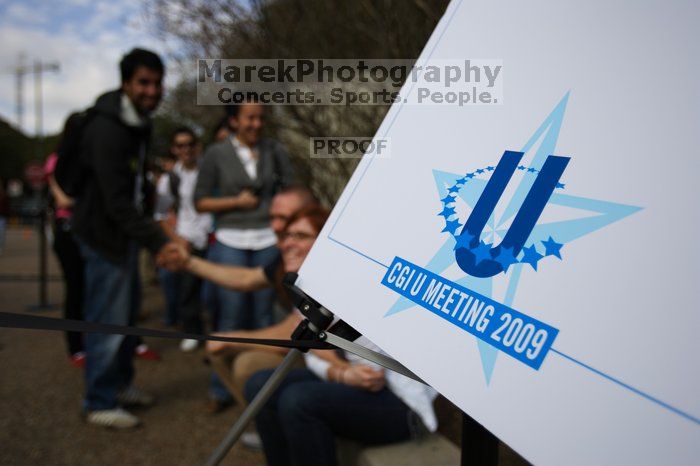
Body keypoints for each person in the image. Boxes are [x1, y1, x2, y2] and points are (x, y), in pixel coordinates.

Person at [160, 206, 438, 466]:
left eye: (300, 235)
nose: (287, 242)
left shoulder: (349, 284)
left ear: (325, 243)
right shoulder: (310, 283)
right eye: (286, 236)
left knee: (299, 401)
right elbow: (313, 348)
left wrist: (343, 373)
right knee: (260, 384)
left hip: (401, 403)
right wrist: (339, 374)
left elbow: (372, 372)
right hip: (360, 381)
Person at [71, 48, 177, 429]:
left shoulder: (138, 122)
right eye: (143, 82)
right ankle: (98, 400)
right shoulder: (107, 127)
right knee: (108, 320)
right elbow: (116, 202)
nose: (152, 90)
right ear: (126, 83)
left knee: (127, 317)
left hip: (124, 236)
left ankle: (119, 386)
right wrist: (159, 240)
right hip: (104, 238)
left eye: (157, 82)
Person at [193, 94, 296, 410]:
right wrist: (235, 203)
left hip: (267, 240)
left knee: (264, 316)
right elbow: (200, 201)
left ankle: (264, 387)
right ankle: (220, 389)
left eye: (261, 118)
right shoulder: (215, 154)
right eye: (250, 118)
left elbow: (289, 190)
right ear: (234, 120)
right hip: (230, 242)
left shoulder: (274, 150)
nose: (257, 124)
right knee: (231, 314)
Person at [154, 127, 213, 351]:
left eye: (190, 144)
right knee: (187, 290)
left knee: (215, 291)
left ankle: (220, 333)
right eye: (180, 145)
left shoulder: (210, 170)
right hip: (188, 238)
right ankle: (193, 332)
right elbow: (160, 215)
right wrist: (177, 240)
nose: (186, 149)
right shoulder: (169, 179)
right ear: (174, 149)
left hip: (214, 237)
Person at [45, 117, 85, 366]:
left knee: (90, 289)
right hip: (68, 230)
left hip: (86, 230)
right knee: (75, 289)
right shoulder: (55, 161)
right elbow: (63, 200)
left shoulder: (85, 160)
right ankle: (75, 346)